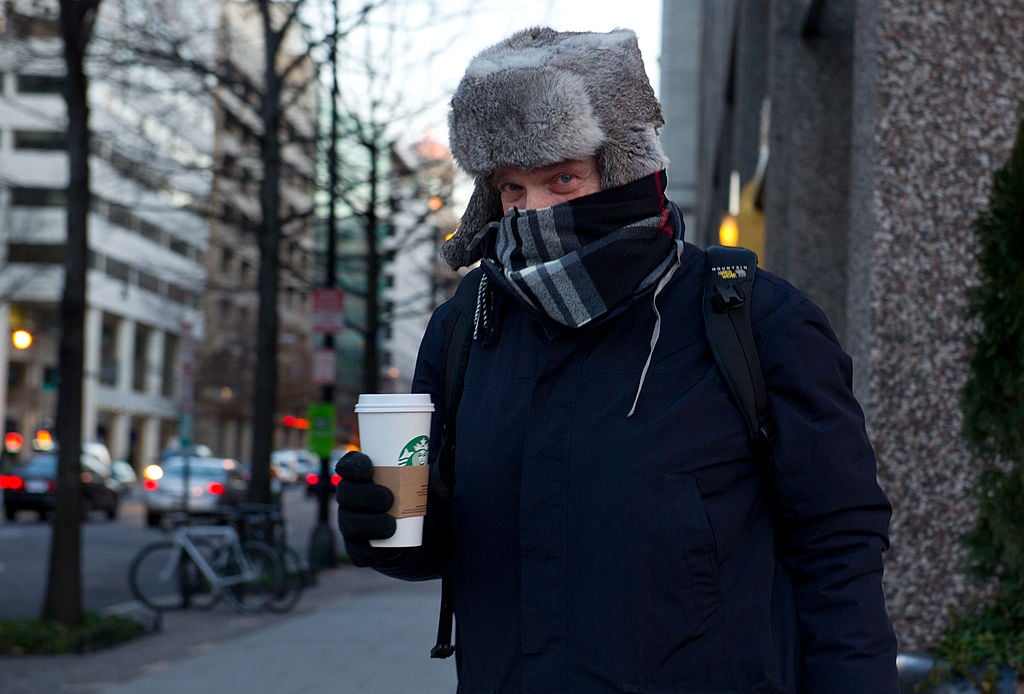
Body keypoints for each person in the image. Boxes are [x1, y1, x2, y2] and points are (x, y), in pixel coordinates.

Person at [336, 26, 898, 693]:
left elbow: (838, 551)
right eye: (512, 188)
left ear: (628, 169)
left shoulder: (756, 322)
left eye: (563, 178)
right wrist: (382, 525)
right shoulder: (466, 327)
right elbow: (446, 541)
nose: (533, 210)